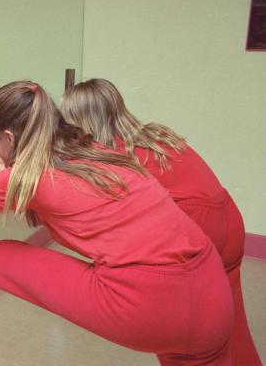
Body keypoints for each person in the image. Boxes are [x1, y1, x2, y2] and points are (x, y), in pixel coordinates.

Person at [0, 81, 234, 365]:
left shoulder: (36, 175)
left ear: (8, 138)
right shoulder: (90, 150)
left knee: (12, 261)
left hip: (148, 302)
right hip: (212, 291)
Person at [60, 78, 261, 365]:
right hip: (229, 221)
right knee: (231, 327)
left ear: (80, 121)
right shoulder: (153, 135)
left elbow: (64, 184)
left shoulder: (112, 156)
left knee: (183, 339)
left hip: (198, 231)